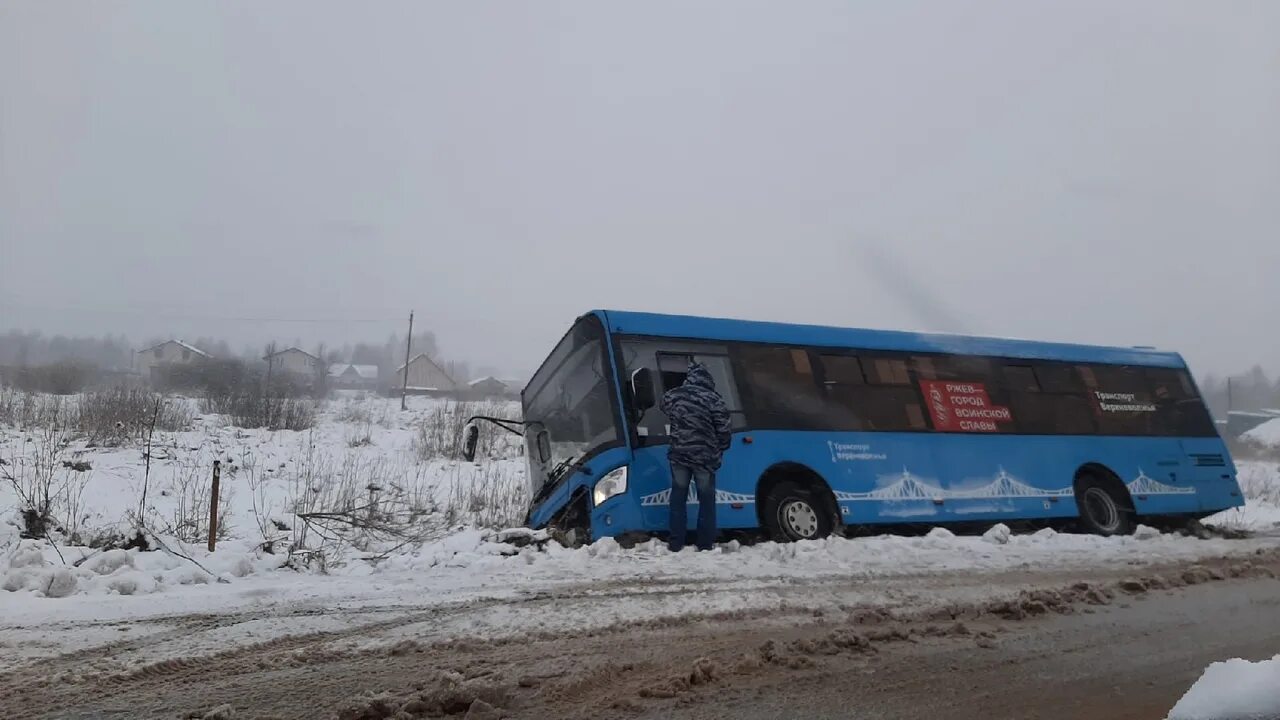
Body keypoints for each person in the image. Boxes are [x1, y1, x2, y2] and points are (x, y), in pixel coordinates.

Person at [660, 362, 733, 552]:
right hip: (705, 457)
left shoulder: (674, 395)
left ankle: (676, 542)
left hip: (679, 455)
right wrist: (721, 447)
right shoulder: (714, 399)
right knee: (706, 501)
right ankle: (705, 543)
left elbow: (663, 406)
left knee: (678, 498)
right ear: (708, 380)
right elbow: (723, 428)